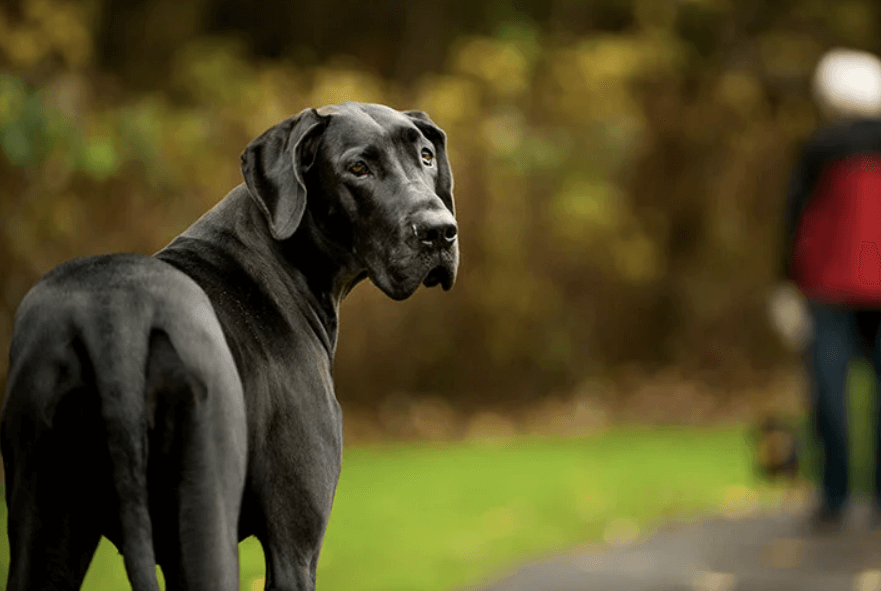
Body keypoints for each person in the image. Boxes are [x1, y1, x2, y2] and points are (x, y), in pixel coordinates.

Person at [775, 47, 881, 530]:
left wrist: (784, 285)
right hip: (845, 290)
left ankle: (835, 495)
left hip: (827, 291)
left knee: (829, 393)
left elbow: (796, 220)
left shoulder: (820, 147)